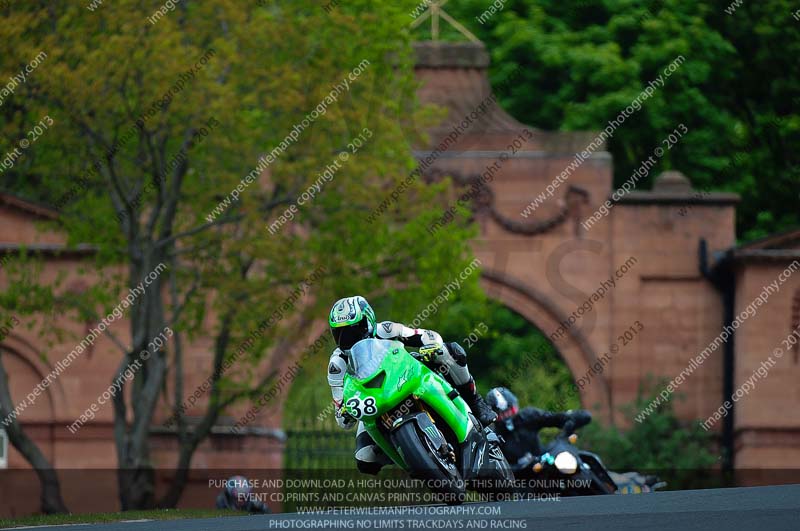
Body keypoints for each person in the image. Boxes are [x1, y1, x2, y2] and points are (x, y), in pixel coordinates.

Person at [327, 295, 497, 474]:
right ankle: (408, 451)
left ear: (368, 321)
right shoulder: (337, 365)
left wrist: (430, 345)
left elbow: (427, 336)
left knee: (450, 351)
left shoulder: (386, 329)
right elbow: (341, 413)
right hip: (375, 402)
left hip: (405, 375)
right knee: (365, 458)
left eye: (353, 330)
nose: (347, 338)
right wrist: (345, 413)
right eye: (340, 334)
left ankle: (475, 400)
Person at [485, 387, 592, 466]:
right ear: (493, 415)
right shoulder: (493, 437)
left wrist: (571, 417)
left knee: (585, 461)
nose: (506, 415)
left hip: (546, 464)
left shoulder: (528, 416)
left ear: (514, 407)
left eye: (509, 410)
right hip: (524, 481)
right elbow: (496, 467)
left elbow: (555, 419)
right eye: (501, 413)